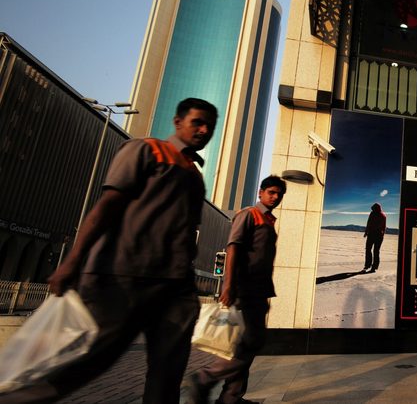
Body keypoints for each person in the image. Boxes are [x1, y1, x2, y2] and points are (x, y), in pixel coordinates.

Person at [0, 98, 218, 404]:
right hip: (122, 278)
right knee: (84, 364)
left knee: (168, 373)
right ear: (178, 122)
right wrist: (72, 262)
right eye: (197, 122)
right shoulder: (145, 150)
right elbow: (107, 207)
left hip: (174, 289)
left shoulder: (195, 176)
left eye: (210, 125)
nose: (204, 129)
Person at [188, 175, 287, 404]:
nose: (276, 197)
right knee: (252, 342)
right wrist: (229, 285)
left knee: (242, 347)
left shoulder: (268, 219)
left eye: (279, 194)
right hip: (245, 290)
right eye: (271, 192)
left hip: (260, 290)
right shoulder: (249, 214)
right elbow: (233, 248)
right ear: (260, 192)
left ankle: (231, 397)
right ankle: (205, 378)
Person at [362, 202, 386, 273]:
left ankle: (370, 266)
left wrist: (367, 232)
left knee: (371, 250)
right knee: (374, 251)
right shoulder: (382, 215)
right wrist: (366, 232)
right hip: (378, 235)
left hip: (374, 234)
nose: (372, 210)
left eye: (373, 209)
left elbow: (369, 223)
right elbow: (369, 223)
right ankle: (372, 266)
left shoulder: (380, 215)